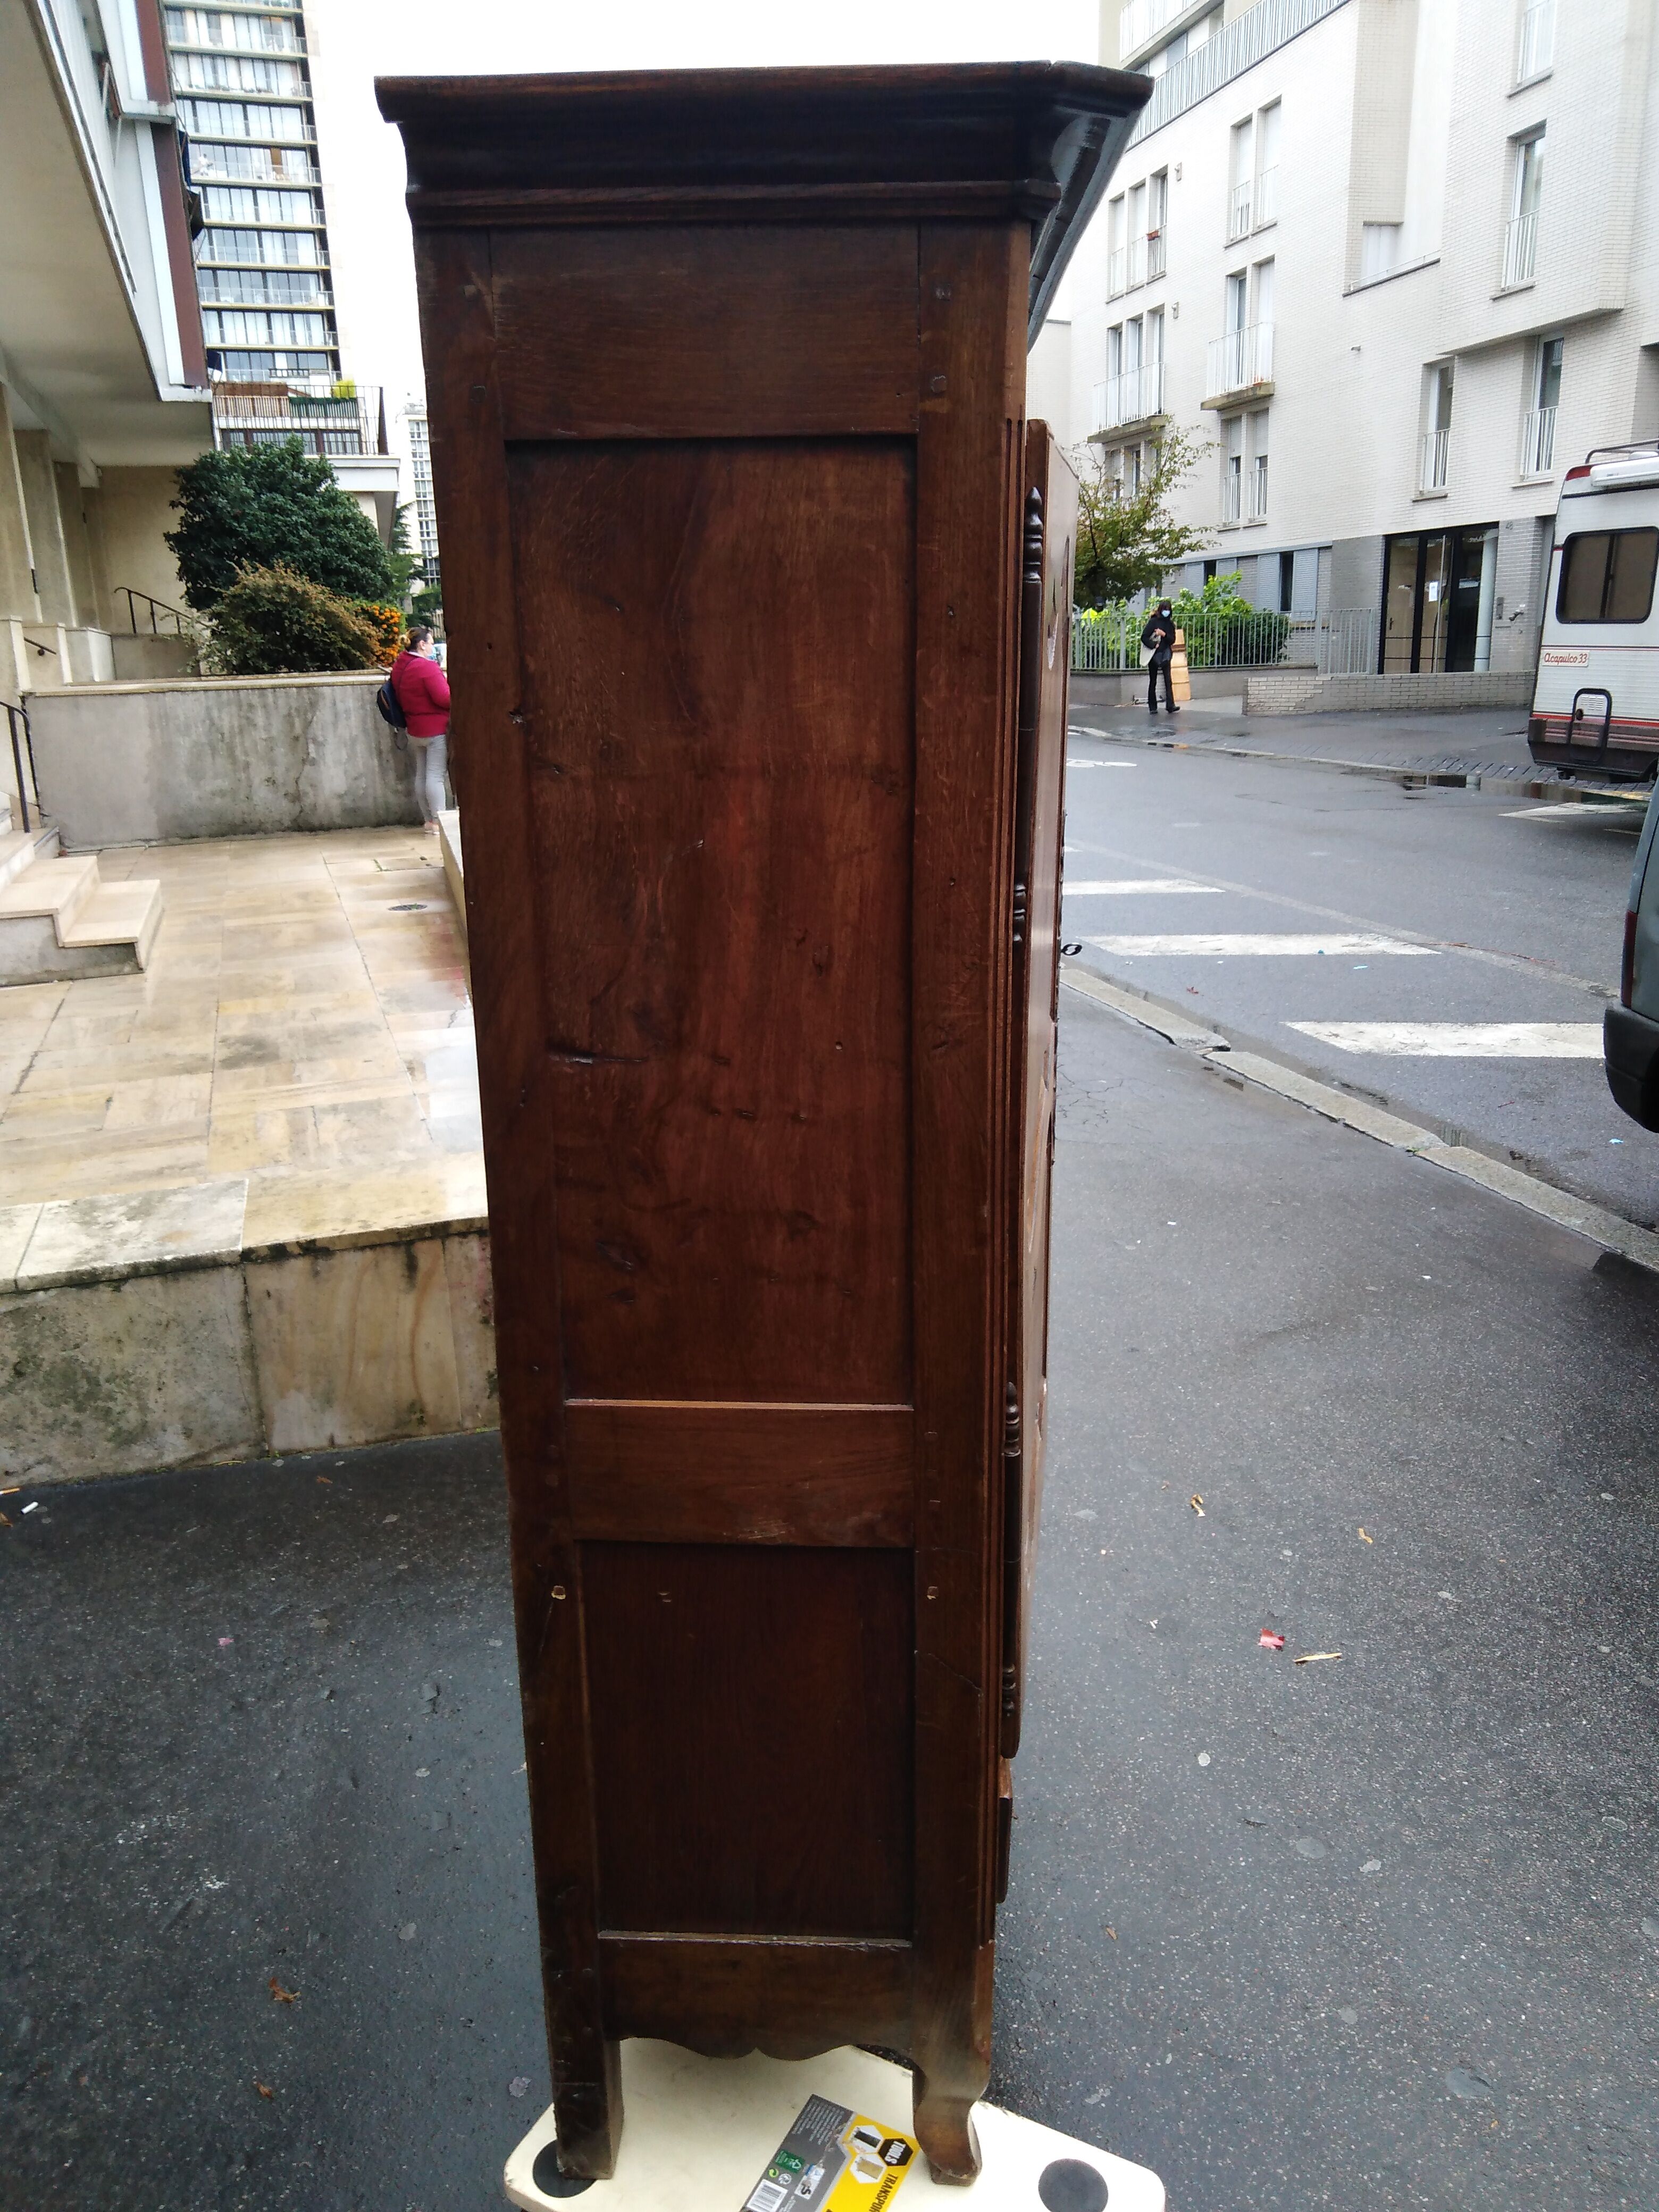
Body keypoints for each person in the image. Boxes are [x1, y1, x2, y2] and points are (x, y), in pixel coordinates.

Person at [389, 624, 451, 828]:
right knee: (435, 776)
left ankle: (428, 820)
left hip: (414, 729)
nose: (433, 647)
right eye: (432, 643)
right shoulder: (427, 667)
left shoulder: (401, 665)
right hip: (435, 730)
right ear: (422, 644)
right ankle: (439, 822)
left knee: (422, 775)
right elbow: (445, 699)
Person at [1142, 598, 1179, 715]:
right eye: (1165, 610)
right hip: (1154, 655)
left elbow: (1172, 640)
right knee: (1153, 681)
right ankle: (1153, 707)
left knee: (1168, 680)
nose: (1166, 612)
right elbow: (1144, 637)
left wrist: (1164, 635)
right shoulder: (1153, 622)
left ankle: (1170, 705)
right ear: (1161, 610)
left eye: (1168, 610)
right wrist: (1154, 645)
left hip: (1166, 654)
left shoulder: (1170, 624)